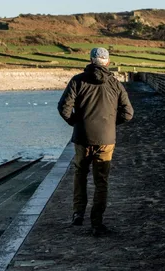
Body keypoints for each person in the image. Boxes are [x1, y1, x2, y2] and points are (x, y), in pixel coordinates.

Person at [58, 47, 134, 236]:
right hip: (106, 139)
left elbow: (63, 107)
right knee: (101, 181)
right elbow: (128, 113)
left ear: (91, 60)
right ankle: (96, 222)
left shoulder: (78, 80)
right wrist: (110, 124)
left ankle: (78, 212)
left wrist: (75, 122)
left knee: (80, 173)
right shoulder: (115, 84)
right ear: (107, 62)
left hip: (82, 137)